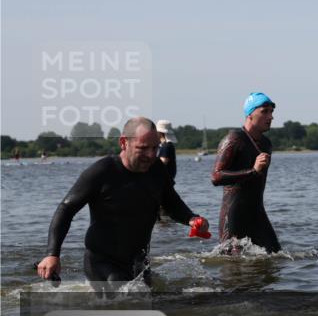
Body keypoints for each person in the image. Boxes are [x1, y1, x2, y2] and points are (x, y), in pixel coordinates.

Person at [36, 117, 208, 289]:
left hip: (139, 261)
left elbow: (171, 202)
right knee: (127, 301)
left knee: (161, 302)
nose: (150, 155)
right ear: (124, 143)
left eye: (155, 148)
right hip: (103, 262)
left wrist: (191, 219)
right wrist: (52, 254)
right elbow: (66, 209)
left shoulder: (157, 169)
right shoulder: (102, 171)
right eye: (143, 148)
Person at [211, 92, 280, 253]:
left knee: (276, 257)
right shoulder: (234, 139)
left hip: (257, 212)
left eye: (271, 112)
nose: (270, 117)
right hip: (234, 215)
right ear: (249, 114)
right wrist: (253, 171)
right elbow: (215, 176)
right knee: (234, 267)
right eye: (264, 111)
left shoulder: (266, 143)